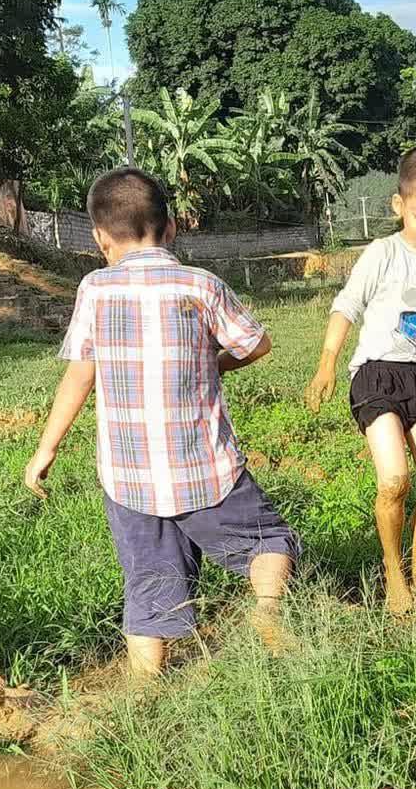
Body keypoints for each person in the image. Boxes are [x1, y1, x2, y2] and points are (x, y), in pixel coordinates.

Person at [24, 168, 299, 679]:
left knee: (148, 580)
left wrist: (46, 448)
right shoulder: (200, 285)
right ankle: (266, 614)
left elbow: (80, 374)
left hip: (129, 479)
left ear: (101, 238)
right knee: (269, 542)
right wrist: (212, 364)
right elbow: (256, 344)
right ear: (170, 228)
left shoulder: (95, 289)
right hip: (206, 470)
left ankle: (146, 692)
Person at [305, 145, 416, 614]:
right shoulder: (382, 253)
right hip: (377, 377)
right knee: (394, 480)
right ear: (399, 205)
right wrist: (326, 365)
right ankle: (393, 572)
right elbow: (346, 306)